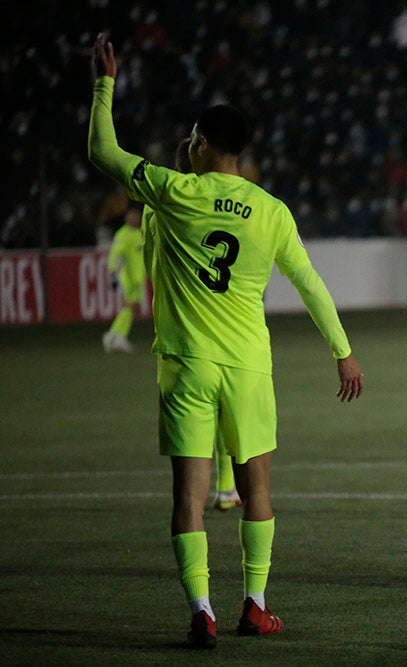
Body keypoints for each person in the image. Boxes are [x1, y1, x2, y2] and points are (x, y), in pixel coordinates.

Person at [89, 34, 364, 649]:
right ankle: (256, 606)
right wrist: (342, 350)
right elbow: (312, 285)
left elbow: (102, 150)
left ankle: (201, 612)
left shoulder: (173, 190)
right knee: (256, 492)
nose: (187, 143)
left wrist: (104, 84)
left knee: (189, 496)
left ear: (206, 144)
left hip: (186, 365)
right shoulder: (272, 211)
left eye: (192, 136)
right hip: (249, 367)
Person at [141, 137, 241, 512]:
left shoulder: (159, 204)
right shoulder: (227, 203)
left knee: (199, 420)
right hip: (227, 325)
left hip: (179, 329)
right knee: (229, 411)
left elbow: (152, 258)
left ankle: (218, 494)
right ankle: (229, 488)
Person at [102, 205, 145, 353]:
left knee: (133, 308)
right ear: (127, 217)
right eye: (132, 215)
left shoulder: (140, 233)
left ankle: (117, 336)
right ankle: (114, 336)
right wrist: (113, 273)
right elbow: (116, 254)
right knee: (130, 306)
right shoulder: (123, 234)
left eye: (137, 215)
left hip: (138, 277)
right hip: (127, 276)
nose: (135, 218)